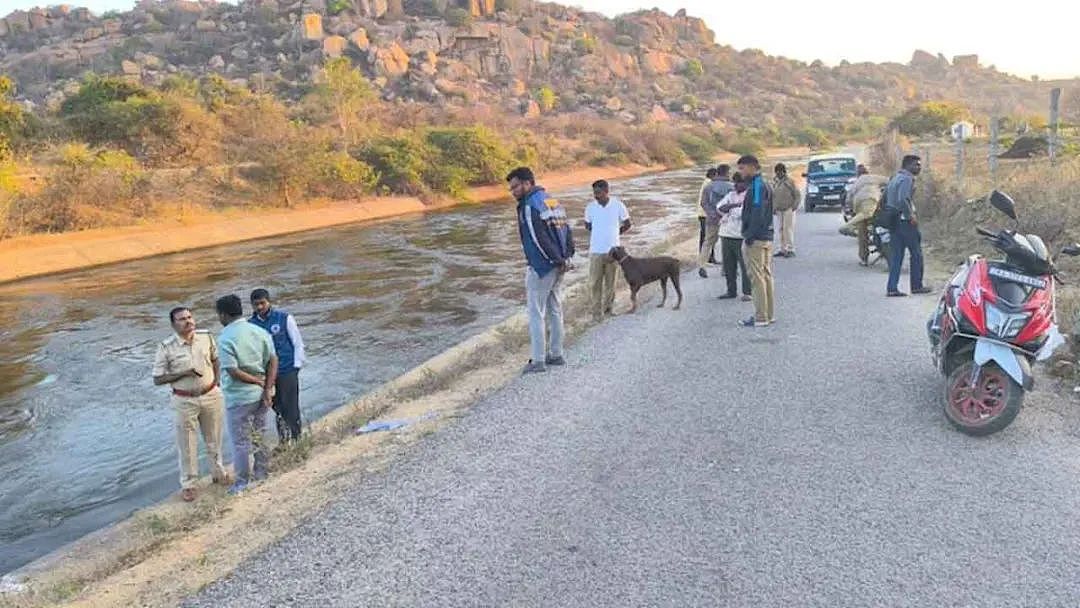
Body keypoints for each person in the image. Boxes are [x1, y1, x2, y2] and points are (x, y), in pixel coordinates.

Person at [152, 307, 228, 502]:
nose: (187, 321)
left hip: (211, 394)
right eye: (181, 319)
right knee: (187, 443)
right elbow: (158, 379)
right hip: (184, 399)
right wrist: (183, 373)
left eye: (189, 317)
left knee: (215, 437)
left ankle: (219, 473)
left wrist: (217, 382)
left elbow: (216, 359)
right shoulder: (166, 347)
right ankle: (189, 484)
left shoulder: (206, 337)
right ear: (173, 324)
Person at [508, 166, 575, 374]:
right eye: (511, 188)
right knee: (555, 309)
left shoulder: (529, 205)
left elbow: (538, 239)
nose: (513, 191)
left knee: (536, 313)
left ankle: (537, 361)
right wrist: (567, 258)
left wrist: (554, 260)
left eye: (516, 186)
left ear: (528, 183)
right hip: (559, 264)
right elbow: (566, 229)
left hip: (542, 266)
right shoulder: (551, 200)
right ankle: (556, 354)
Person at [216, 294, 278, 495]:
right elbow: (273, 361)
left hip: (239, 397)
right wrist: (267, 387)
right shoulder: (259, 331)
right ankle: (262, 473)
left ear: (223, 315)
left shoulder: (225, 337)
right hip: (261, 395)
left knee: (240, 441)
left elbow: (233, 371)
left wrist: (256, 381)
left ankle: (242, 482)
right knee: (259, 434)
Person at [249, 288, 306, 443]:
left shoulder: (284, 318)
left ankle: (297, 438)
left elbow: (297, 342)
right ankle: (284, 440)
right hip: (266, 375)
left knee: (291, 406)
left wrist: (296, 366)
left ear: (269, 302)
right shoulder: (250, 325)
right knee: (277, 406)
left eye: (262, 303)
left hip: (287, 369)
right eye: (256, 305)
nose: (260, 307)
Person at [885, 155, 932, 297]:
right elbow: (902, 199)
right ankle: (916, 286)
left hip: (894, 220)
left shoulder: (895, 177)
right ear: (908, 165)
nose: (919, 167)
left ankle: (892, 288)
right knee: (916, 254)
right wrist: (910, 215)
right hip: (905, 222)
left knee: (897, 256)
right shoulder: (907, 179)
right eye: (916, 165)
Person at [584, 179, 631, 321]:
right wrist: (600, 233)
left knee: (611, 282)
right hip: (596, 251)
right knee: (594, 283)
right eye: (594, 193)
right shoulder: (590, 207)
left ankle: (608, 310)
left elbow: (628, 224)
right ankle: (596, 314)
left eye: (598, 193)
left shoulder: (618, 205)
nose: (596, 196)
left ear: (606, 191)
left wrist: (616, 234)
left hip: (613, 251)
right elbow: (588, 225)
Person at [738, 155, 776, 327]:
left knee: (757, 278)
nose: (741, 172)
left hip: (757, 238)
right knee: (766, 276)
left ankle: (761, 316)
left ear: (752, 167)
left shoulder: (757, 186)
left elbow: (757, 212)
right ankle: (769, 314)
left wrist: (749, 235)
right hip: (767, 236)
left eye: (742, 168)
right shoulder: (766, 184)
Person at [840, 164, 888, 265]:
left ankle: (864, 258)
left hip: (858, 205)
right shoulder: (874, 178)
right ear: (867, 172)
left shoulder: (856, 183)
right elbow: (890, 181)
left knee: (862, 235)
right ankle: (884, 250)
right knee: (876, 220)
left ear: (857, 174)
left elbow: (849, 198)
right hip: (872, 201)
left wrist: (850, 210)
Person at [715, 173, 752, 301]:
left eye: (739, 182)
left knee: (745, 266)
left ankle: (747, 292)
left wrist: (730, 208)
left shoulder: (749, 196)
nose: (736, 185)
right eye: (735, 182)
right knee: (729, 266)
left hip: (740, 236)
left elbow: (742, 213)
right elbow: (719, 207)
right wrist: (734, 205)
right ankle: (731, 291)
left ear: (746, 184)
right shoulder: (730, 195)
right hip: (726, 234)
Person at [698, 164, 734, 278]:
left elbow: (703, 203)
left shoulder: (709, 186)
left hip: (712, 219)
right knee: (726, 243)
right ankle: (725, 269)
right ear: (727, 173)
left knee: (708, 242)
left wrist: (712, 214)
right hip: (727, 219)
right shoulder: (731, 187)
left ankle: (702, 265)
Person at [771, 163, 800, 258]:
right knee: (780, 229)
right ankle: (782, 249)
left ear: (784, 172)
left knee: (788, 229)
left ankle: (790, 249)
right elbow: (773, 196)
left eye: (780, 172)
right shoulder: (775, 181)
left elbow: (797, 194)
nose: (778, 174)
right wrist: (773, 208)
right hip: (779, 210)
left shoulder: (790, 181)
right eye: (777, 172)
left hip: (789, 208)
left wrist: (794, 207)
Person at [696, 168, 719, 265]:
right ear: (714, 175)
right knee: (707, 237)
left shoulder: (707, 183)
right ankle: (705, 259)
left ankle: (708, 257)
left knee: (707, 237)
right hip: (705, 214)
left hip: (704, 214)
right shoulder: (709, 184)